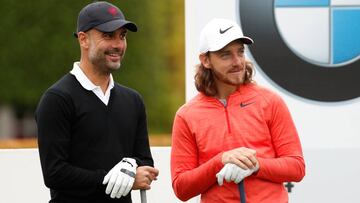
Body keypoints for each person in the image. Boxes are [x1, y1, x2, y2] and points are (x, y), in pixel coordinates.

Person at [170, 18, 305, 203]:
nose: (237, 62)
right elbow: (181, 188)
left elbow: (296, 167)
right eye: (226, 55)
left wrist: (255, 165)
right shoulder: (187, 115)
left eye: (240, 52)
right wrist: (221, 161)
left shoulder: (270, 101)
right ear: (205, 60)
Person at [35, 2, 159, 202]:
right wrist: (108, 179)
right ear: (83, 39)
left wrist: (130, 164)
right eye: (108, 35)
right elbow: (55, 173)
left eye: (122, 36)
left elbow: (144, 161)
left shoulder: (133, 100)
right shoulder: (57, 99)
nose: (118, 44)